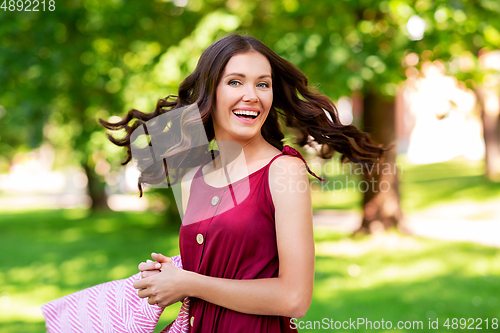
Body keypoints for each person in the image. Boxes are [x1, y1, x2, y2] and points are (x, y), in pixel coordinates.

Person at [43, 34, 385, 333]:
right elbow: (217, 267)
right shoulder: (196, 175)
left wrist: (190, 282)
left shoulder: (283, 171)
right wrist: (170, 277)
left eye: (262, 84)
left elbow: (295, 299)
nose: (251, 94)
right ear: (211, 92)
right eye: (235, 82)